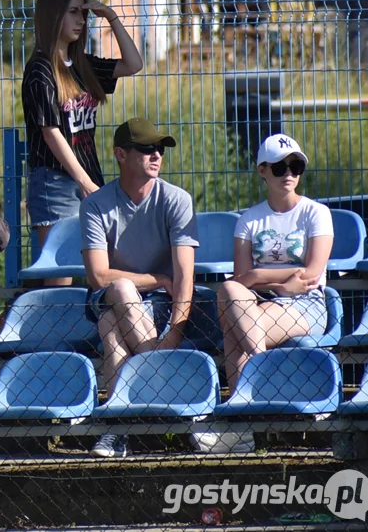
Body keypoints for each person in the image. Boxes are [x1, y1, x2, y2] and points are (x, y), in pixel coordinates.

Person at [196, 135, 333, 455]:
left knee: (234, 330)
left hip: (305, 303)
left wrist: (263, 280)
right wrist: (274, 280)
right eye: (280, 167)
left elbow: (312, 274)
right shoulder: (249, 219)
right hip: (263, 301)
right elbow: (242, 280)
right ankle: (259, 395)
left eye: (296, 166)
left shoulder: (316, 213)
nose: (289, 173)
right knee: (229, 291)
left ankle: (241, 422)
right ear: (262, 170)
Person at [81, 118, 198, 458]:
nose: (156, 155)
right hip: (111, 296)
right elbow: (98, 277)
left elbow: (184, 276)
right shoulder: (95, 204)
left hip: (159, 305)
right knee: (119, 289)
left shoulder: (177, 199)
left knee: (113, 335)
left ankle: (116, 431)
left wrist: (175, 331)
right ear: (120, 154)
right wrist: (157, 279)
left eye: (159, 149)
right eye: (146, 149)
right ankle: (177, 401)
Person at [22, 0, 143, 287]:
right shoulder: (40, 70)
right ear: (53, 15)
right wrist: (84, 181)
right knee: (60, 277)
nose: (80, 20)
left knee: (98, 272)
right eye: (72, 12)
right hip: (55, 183)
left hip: (88, 179)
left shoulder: (81, 65)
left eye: (83, 13)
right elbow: (50, 131)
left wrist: (112, 18)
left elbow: (134, 64)